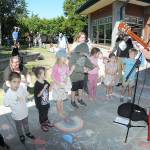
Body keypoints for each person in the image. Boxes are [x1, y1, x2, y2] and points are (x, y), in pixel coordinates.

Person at [3, 72, 35, 143]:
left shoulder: (21, 87)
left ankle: (27, 133)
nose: (16, 84)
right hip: (16, 115)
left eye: (18, 82)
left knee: (26, 124)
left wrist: (28, 97)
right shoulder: (8, 93)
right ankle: (21, 135)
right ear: (9, 82)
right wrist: (12, 100)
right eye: (14, 82)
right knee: (19, 127)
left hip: (24, 112)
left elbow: (26, 93)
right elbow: (5, 104)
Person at [69, 42, 94, 108]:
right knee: (74, 89)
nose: (85, 54)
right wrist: (83, 70)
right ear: (80, 50)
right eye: (84, 52)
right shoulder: (74, 56)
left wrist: (90, 67)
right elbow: (72, 66)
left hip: (81, 76)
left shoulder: (84, 57)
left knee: (80, 88)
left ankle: (80, 99)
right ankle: (72, 100)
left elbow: (89, 64)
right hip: (74, 76)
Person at [51, 50, 71, 118]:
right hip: (57, 85)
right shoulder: (56, 66)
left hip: (63, 85)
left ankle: (62, 110)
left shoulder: (66, 66)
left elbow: (67, 75)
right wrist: (58, 83)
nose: (65, 58)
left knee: (62, 99)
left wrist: (65, 81)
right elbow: (52, 76)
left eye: (65, 57)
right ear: (59, 57)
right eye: (63, 57)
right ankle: (59, 112)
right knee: (58, 100)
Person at [33, 67, 53, 132]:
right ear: (39, 75)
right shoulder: (37, 84)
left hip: (46, 102)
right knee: (42, 114)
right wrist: (44, 88)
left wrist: (52, 85)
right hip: (40, 104)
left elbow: (49, 90)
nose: (45, 75)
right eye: (44, 74)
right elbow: (38, 95)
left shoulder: (45, 81)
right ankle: (43, 124)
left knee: (46, 113)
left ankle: (46, 121)